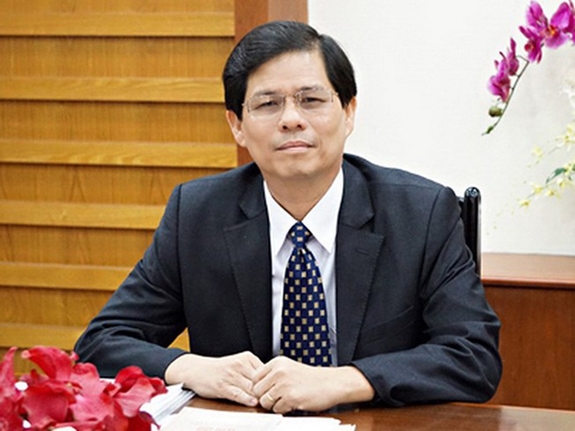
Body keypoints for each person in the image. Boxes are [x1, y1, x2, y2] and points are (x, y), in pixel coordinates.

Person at [74, 20, 502, 414]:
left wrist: (345, 381)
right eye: (268, 104)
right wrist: (193, 368)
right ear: (237, 125)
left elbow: (474, 357)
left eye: (311, 100)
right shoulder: (198, 215)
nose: (291, 120)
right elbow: (100, 343)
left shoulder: (420, 214)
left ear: (349, 112)